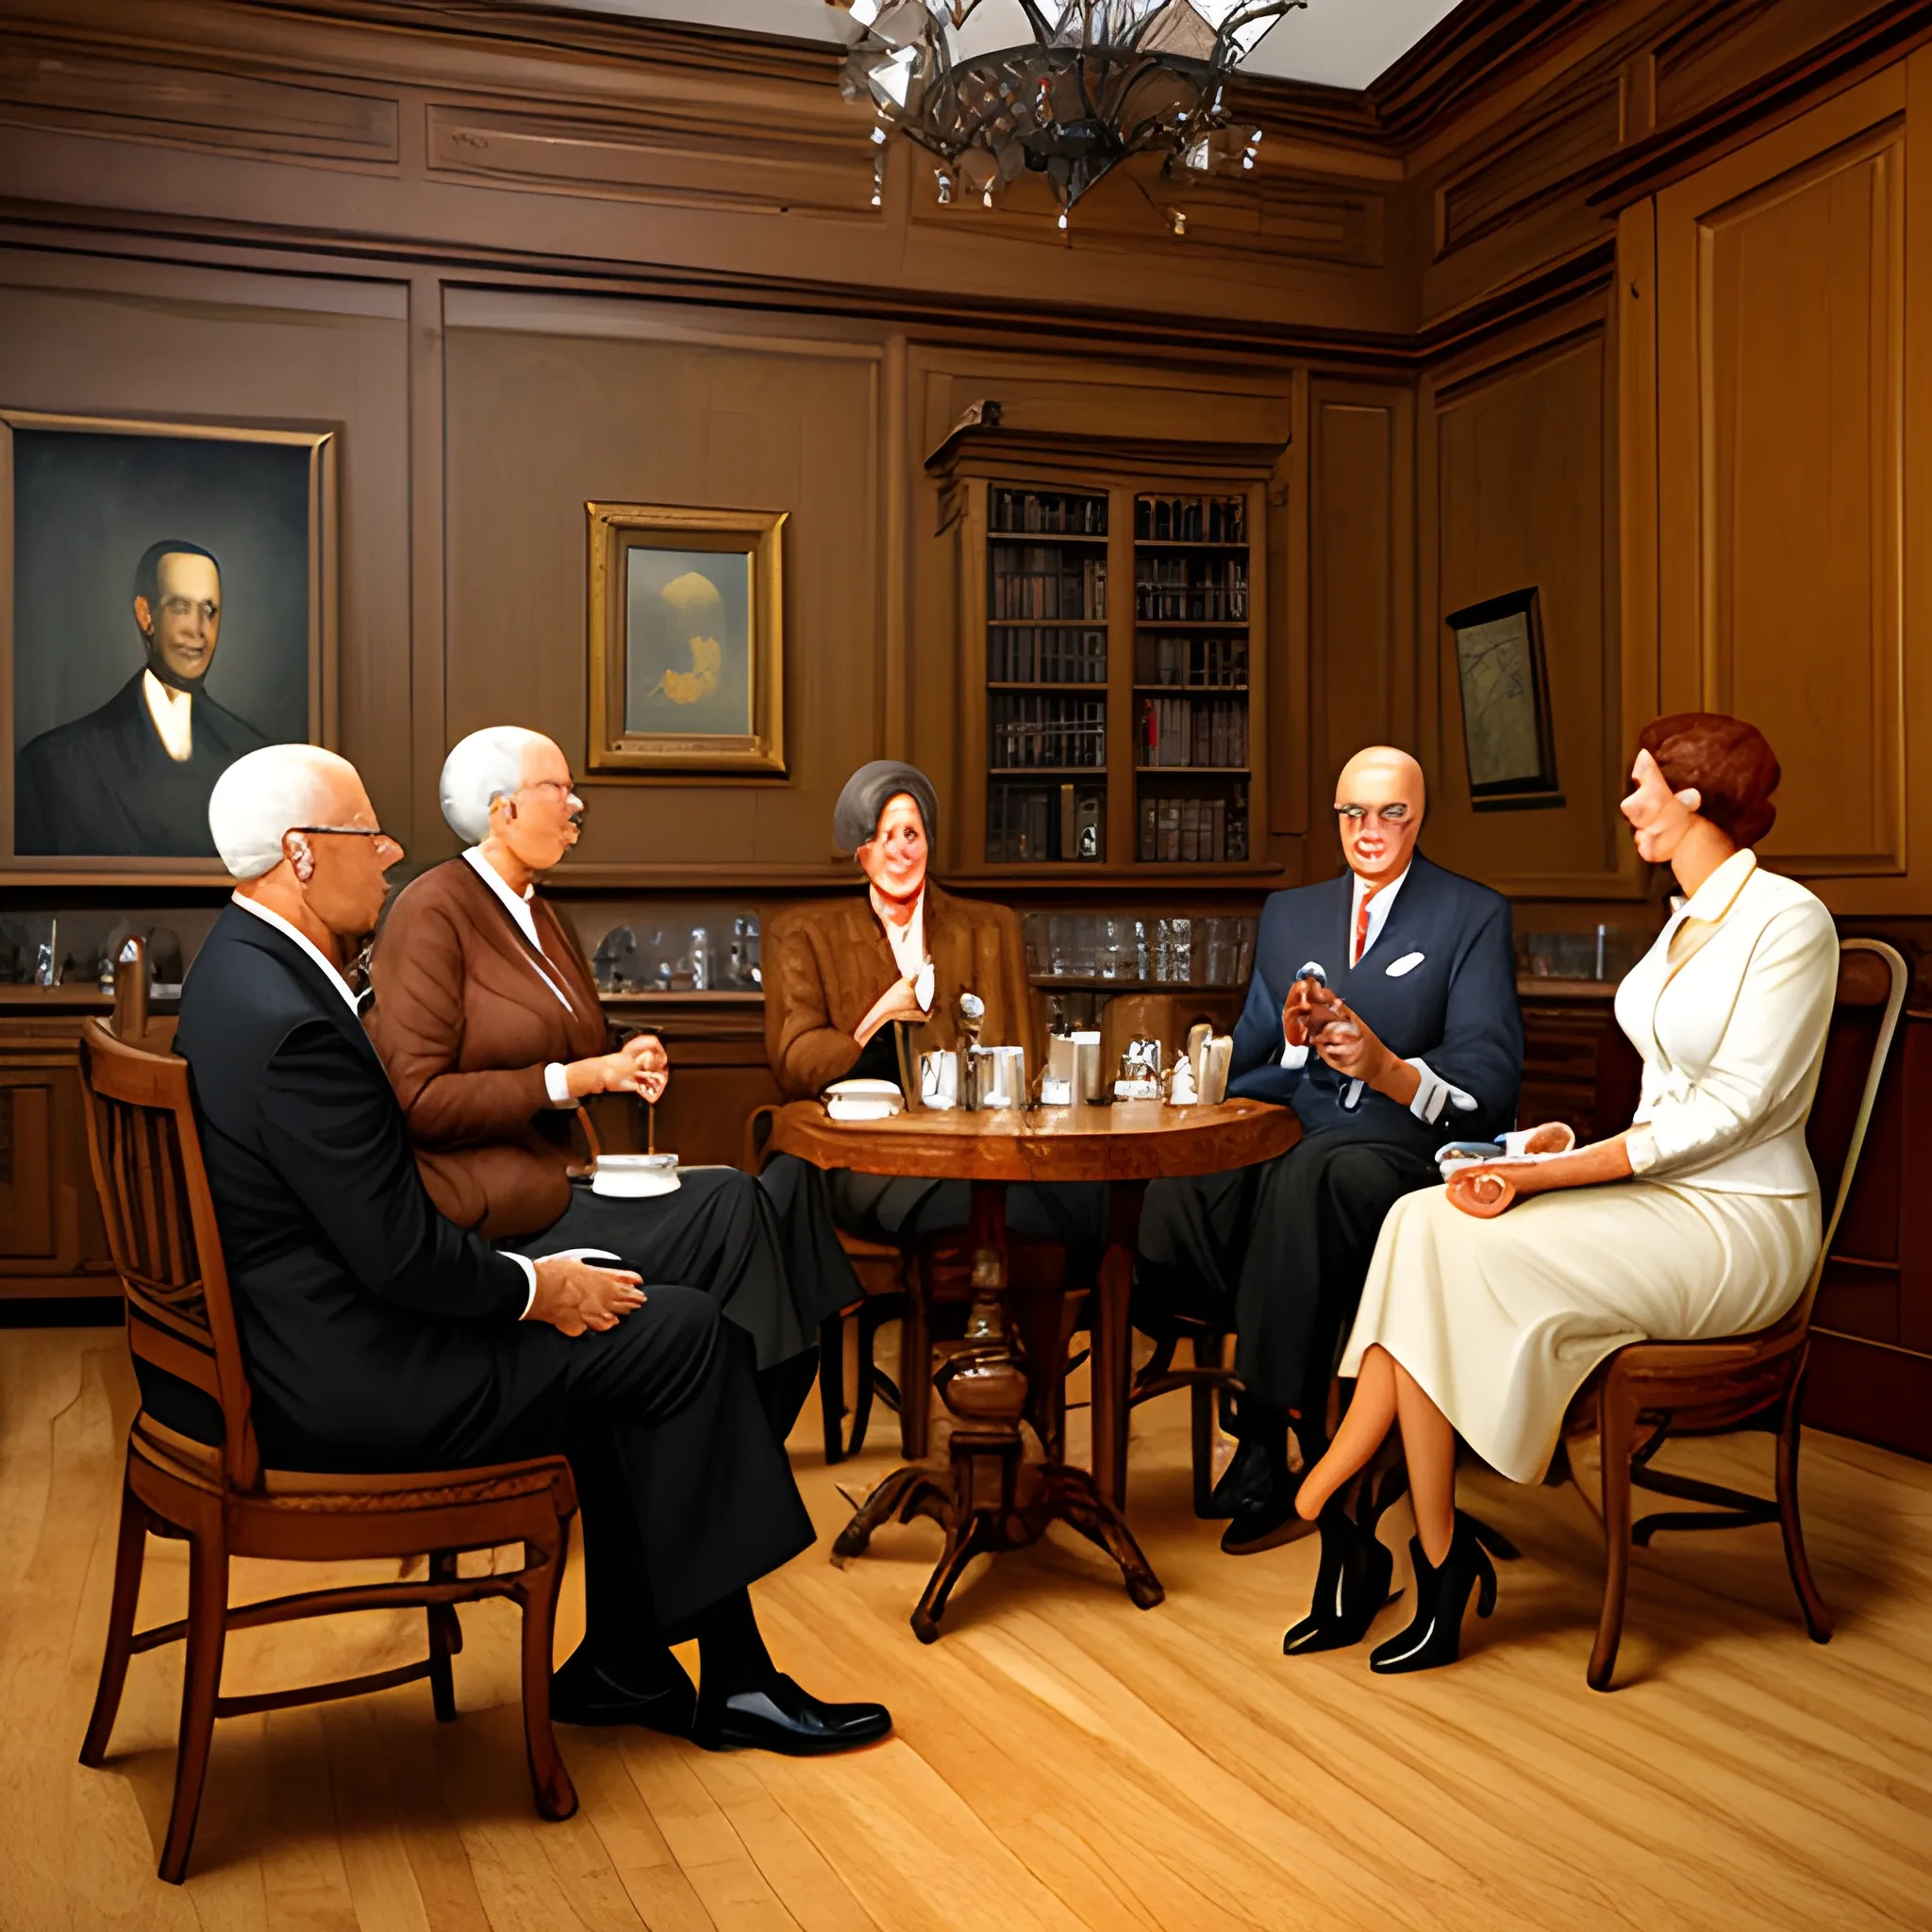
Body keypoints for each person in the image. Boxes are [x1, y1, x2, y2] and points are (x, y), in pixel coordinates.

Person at [172, 743, 891, 1754]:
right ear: (299, 854)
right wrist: (534, 1288)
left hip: (291, 1349)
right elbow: (400, 1254)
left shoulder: (234, 977)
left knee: (664, 1311)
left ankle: (636, 1659)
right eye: (365, 837)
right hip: (346, 1377)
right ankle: (730, 1680)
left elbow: (378, 1227)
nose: (387, 855)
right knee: (678, 1331)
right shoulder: (293, 1019)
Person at [1285, 714, 1837, 1674]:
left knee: (1450, 1231)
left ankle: (1339, 1480)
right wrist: (1560, 1140)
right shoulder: (1681, 918)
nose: (1626, 805)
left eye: (1639, 787)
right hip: (1656, 1197)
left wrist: (1542, 1174)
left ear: (1692, 798)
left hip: (1739, 1225)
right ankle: (1435, 1548)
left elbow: (1729, 1115)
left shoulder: (1788, 922)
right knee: (1423, 1212)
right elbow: (1667, 1100)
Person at [367, 726, 839, 1438]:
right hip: (498, 1213)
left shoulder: (537, 910)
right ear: (504, 811)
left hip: (555, 1181)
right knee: (737, 1209)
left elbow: (574, 1036)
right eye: (557, 790)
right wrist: (571, 1079)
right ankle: (742, 1430)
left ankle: (730, 1427)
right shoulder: (432, 912)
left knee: (751, 1199)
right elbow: (420, 1100)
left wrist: (626, 1049)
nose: (575, 805)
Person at [1136, 745, 1522, 1555]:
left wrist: (1387, 1069)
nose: (1369, 830)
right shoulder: (1292, 913)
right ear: (1336, 816)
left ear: (1419, 818)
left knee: (1305, 1183)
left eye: (1391, 813)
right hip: (1294, 1131)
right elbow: (1251, 1051)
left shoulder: (1470, 913)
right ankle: (1309, 1408)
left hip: (1399, 1145)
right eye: (1353, 812)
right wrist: (1245, 1059)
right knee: (1185, 1188)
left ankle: (1264, 1444)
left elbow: (1490, 1080)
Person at [759, 759, 1106, 1262]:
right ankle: (984, 1335)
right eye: (883, 836)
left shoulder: (989, 928)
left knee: (1087, 1202)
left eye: (911, 833)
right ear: (860, 851)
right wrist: (881, 1015)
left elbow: (1025, 1062)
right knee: (987, 1214)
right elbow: (796, 1063)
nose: (900, 850)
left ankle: (1025, 1338)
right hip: (876, 1160)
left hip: (989, 1153)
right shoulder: (806, 935)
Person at [16, 540, 270, 856]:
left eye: (209, 611)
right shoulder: (54, 765)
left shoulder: (256, 761)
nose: (198, 630)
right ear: (145, 614)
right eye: (180, 608)